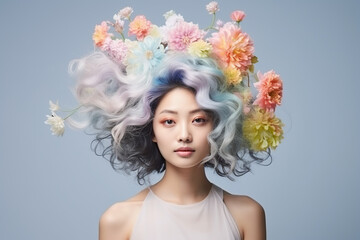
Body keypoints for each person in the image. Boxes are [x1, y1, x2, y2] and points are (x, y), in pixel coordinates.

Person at [45, 2, 284, 240]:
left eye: (198, 120)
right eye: (169, 121)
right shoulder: (118, 220)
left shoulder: (247, 215)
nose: (184, 135)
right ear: (151, 129)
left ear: (217, 125)